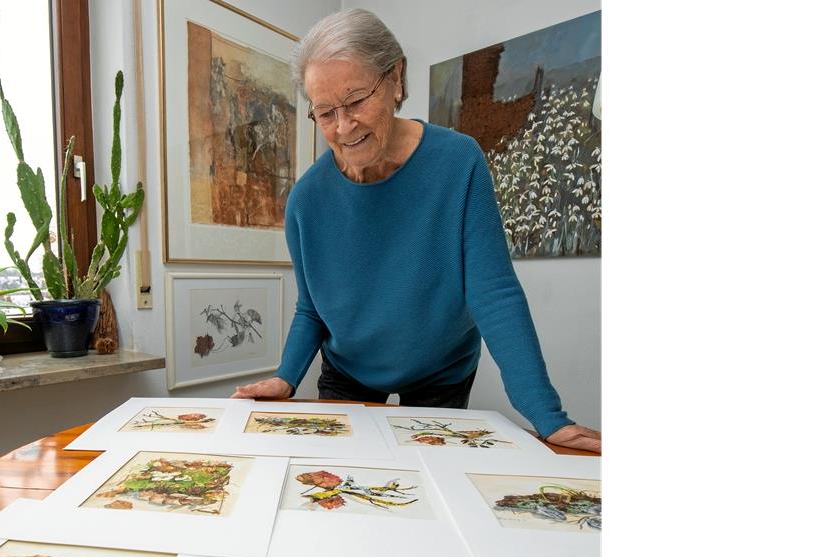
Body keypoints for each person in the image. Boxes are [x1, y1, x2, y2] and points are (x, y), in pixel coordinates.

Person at [231, 9, 600, 454]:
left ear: (396, 78)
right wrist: (286, 377)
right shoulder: (306, 201)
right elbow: (312, 309)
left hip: (441, 371)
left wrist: (547, 416)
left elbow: (494, 293)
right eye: (325, 112)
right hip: (348, 371)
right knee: (346, 480)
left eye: (355, 101)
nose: (343, 127)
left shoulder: (459, 163)